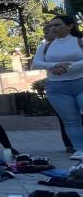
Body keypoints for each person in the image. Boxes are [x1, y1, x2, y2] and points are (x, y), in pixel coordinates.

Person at [33, 15, 83, 159]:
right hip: (57, 87)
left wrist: (68, 67)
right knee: (70, 120)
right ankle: (79, 149)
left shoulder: (79, 41)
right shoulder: (45, 46)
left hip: (80, 82)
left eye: (57, 25)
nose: (53, 28)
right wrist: (53, 66)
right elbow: (36, 63)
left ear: (69, 26)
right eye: (51, 25)